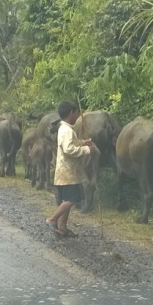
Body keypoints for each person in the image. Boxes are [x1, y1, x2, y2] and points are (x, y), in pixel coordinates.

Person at [45, 101, 97, 237]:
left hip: (66, 171)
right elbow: (68, 149)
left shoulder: (65, 129)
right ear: (71, 113)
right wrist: (86, 149)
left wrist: (82, 142)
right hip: (68, 171)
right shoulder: (66, 130)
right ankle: (52, 219)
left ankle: (62, 228)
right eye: (76, 113)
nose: (78, 116)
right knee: (73, 199)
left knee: (66, 200)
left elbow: (70, 144)